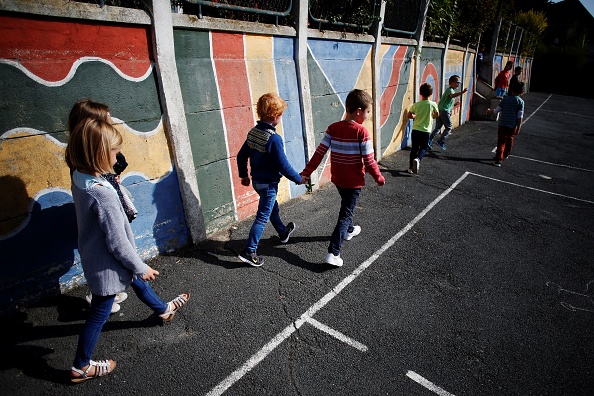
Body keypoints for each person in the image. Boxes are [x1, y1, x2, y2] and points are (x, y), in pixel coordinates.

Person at [65, 117, 190, 383]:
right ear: (98, 154)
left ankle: (163, 310)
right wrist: (141, 266)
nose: (118, 155)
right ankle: (81, 366)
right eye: (113, 151)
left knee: (134, 281)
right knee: (100, 312)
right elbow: (118, 243)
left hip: (96, 254)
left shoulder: (80, 175)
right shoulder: (103, 194)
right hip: (107, 262)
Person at [300, 89, 385, 267]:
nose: (369, 115)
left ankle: (350, 230)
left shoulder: (333, 128)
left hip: (338, 179)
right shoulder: (362, 132)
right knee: (345, 213)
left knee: (347, 207)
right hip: (353, 182)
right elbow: (369, 161)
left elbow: (319, 153)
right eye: (368, 111)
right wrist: (378, 177)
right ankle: (333, 252)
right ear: (359, 111)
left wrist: (307, 172)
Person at [68, 99, 136, 313]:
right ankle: (158, 305)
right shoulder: (95, 181)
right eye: (107, 120)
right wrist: (141, 267)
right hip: (108, 202)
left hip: (108, 199)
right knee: (118, 248)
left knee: (117, 250)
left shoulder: (80, 161)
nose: (111, 122)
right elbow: (118, 242)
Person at [236, 93, 306, 267]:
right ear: (275, 116)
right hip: (268, 185)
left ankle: (283, 233)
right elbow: (283, 165)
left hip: (257, 183)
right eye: (281, 114)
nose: (281, 117)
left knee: (271, 208)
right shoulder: (273, 139)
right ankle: (249, 250)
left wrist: (243, 175)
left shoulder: (253, 133)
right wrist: (299, 179)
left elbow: (241, 156)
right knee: (262, 217)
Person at [486, 80, 525, 167]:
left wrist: (489, 111)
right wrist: (518, 127)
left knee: (501, 141)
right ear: (522, 92)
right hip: (512, 125)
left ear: (511, 90)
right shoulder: (521, 102)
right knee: (510, 140)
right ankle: (506, 154)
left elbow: (496, 110)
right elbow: (520, 116)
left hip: (503, 124)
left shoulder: (505, 99)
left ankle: (498, 159)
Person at [429, 75, 468, 150]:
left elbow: (447, 102)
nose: (458, 84)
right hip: (444, 111)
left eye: (459, 83)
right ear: (451, 82)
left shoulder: (450, 90)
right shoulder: (450, 90)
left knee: (438, 127)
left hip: (441, 110)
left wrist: (454, 105)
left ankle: (429, 140)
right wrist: (462, 92)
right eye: (457, 82)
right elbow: (452, 96)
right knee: (449, 127)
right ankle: (441, 140)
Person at [407, 83, 439, 175]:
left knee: (414, 149)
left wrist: (415, 116)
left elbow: (408, 115)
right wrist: (432, 115)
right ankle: (418, 159)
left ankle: (410, 168)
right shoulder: (433, 104)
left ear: (420, 93)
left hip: (415, 130)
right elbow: (437, 115)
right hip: (425, 131)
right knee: (424, 148)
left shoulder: (416, 105)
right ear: (431, 93)